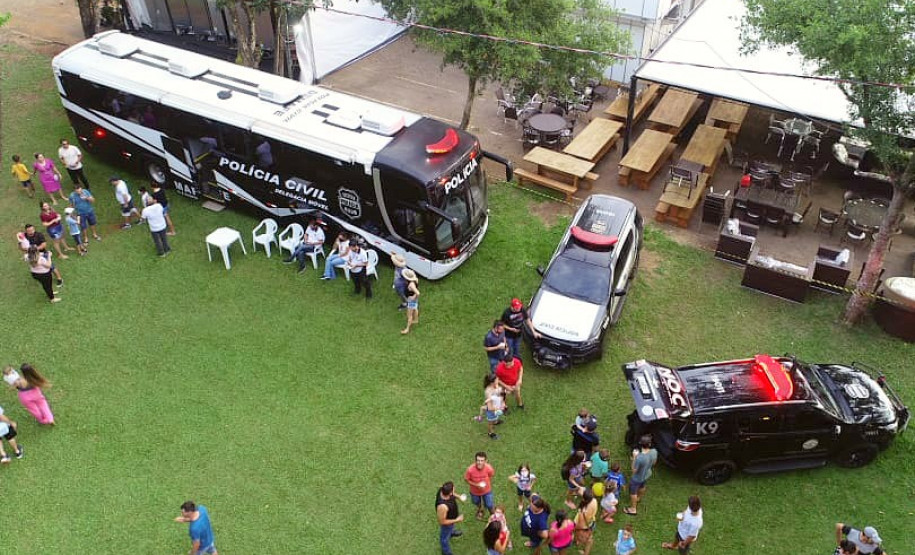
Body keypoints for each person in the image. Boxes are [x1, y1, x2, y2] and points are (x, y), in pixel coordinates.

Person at [623, 435, 657, 516]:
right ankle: (638, 498)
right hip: (647, 474)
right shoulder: (654, 451)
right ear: (649, 444)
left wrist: (634, 458)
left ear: (641, 444)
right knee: (642, 486)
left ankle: (633, 509)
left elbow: (634, 470)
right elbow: (654, 463)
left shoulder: (639, 458)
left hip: (637, 478)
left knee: (633, 492)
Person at [464, 451, 495, 520]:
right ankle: (481, 510)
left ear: (485, 461)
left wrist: (486, 482)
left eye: (482, 460)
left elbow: (491, 475)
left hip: (487, 491)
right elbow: (466, 480)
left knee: (489, 504)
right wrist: (476, 485)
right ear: (475, 460)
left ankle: (493, 517)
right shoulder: (470, 470)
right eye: (478, 460)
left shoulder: (489, 468)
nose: (479, 462)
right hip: (474, 492)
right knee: (476, 502)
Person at [436, 481, 465, 555]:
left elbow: (452, 494)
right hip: (447, 523)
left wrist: (459, 497)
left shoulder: (443, 490)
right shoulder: (442, 507)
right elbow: (442, 522)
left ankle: (451, 533)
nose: (454, 488)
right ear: (450, 493)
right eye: (453, 489)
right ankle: (446, 552)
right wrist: (457, 520)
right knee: (444, 539)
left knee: (451, 528)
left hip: (451, 518)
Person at [573, 488, 599, 555]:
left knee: (588, 541)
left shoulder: (583, 511)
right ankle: (576, 540)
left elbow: (580, 525)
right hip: (591, 522)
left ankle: (585, 553)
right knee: (588, 538)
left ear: (583, 498)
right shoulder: (594, 501)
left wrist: (575, 528)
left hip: (583, 527)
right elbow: (581, 490)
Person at [482, 374, 505, 440]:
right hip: (491, 411)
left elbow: (498, 392)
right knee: (490, 423)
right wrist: (499, 408)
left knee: (495, 417)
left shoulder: (494, 386)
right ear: (492, 382)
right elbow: (489, 408)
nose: (498, 381)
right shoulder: (488, 392)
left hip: (495, 407)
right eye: (497, 380)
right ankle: (491, 433)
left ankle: (496, 422)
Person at [400, 269, 420, 335]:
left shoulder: (411, 284)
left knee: (409, 315)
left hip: (411, 301)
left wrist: (413, 297)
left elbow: (418, 293)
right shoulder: (415, 279)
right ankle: (416, 320)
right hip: (415, 300)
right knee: (415, 308)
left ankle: (407, 329)